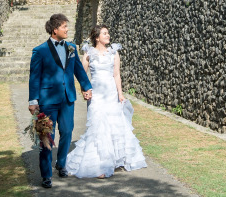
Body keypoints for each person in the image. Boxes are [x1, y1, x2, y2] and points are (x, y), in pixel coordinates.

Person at [66, 24, 147, 178]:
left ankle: (114, 159)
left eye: (108, 33)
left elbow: (116, 75)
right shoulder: (88, 53)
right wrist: (84, 90)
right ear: (97, 37)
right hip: (96, 95)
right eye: (104, 33)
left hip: (111, 93)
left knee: (113, 125)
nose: (108, 35)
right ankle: (99, 164)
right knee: (98, 125)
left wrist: (120, 94)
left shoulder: (114, 53)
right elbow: (82, 74)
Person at [28, 14, 93, 189]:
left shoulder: (71, 48)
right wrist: (33, 100)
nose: (67, 29)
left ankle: (61, 163)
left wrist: (86, 87)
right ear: (55, 29)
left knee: (67, 131)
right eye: (64, 26)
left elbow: (78, 70)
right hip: (47, 100)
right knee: (46, 136)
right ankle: (46, 175)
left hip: (68, 98)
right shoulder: (40, 51)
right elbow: (34, 77)